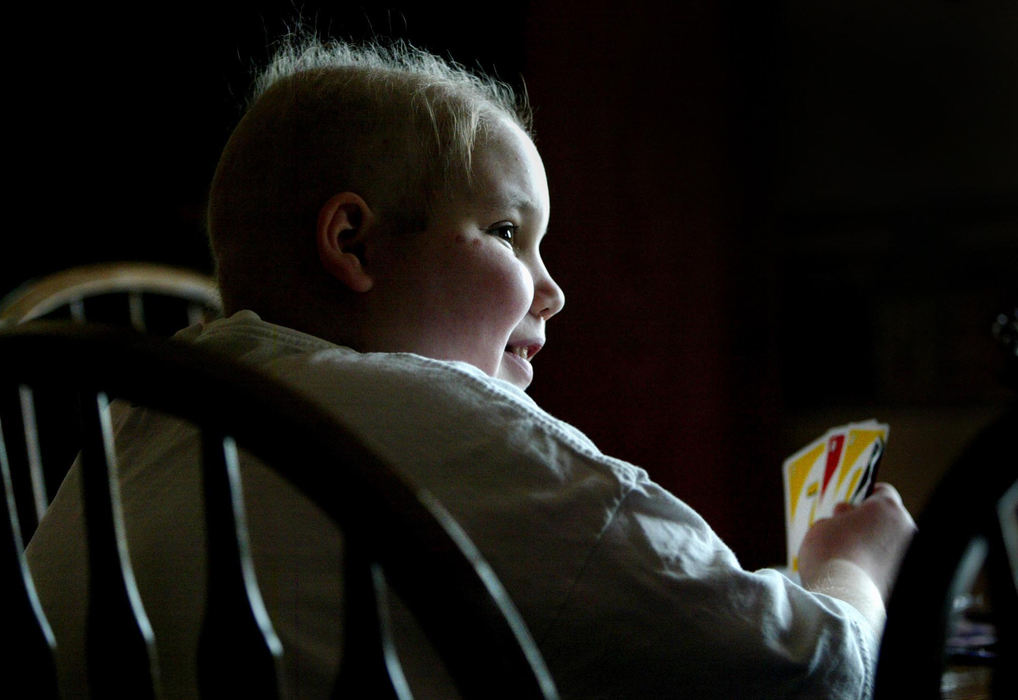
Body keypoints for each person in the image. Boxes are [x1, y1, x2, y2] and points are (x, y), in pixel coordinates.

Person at [26, 34, 916, 698]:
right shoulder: (438, 426)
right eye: (506, 234)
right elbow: (809, 669)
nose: (552, 291)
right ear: (354, 242)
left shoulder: (134, 425)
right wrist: (853, 569)